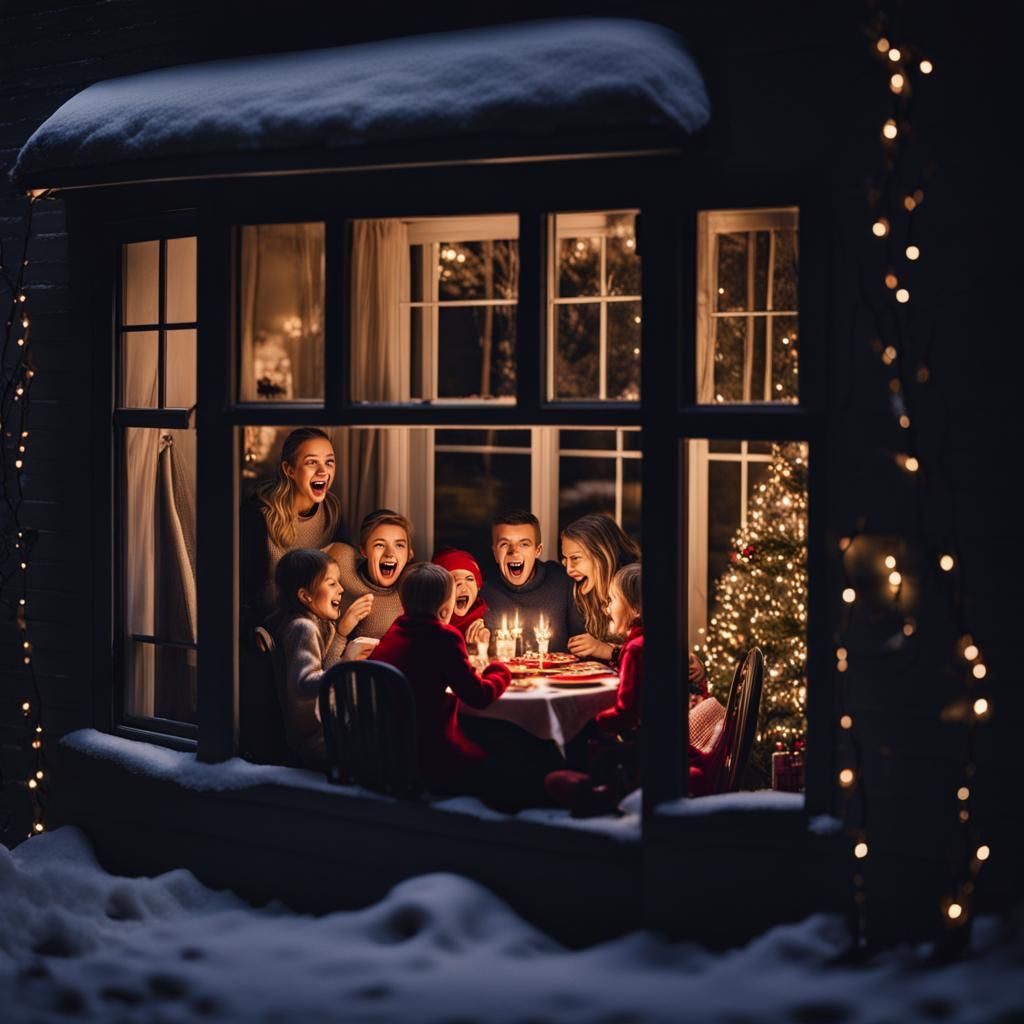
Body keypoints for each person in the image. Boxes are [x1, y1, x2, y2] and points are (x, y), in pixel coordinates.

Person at [545, 562, 711, 814]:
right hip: (673, 740)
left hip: (651, 748)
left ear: (635, 609)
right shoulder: (659, 638)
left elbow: (627, 714)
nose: (606, 607)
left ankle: (594, 792)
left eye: (612, 599)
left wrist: (591, 719)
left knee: (585, 732)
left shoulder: (636, 649)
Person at [372, 563, 511, 798]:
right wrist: (500, 671)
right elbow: (478, 696)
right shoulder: (445, 637)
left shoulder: (396, 628)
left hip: (388, 746)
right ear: (446, 609)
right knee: (499, 759)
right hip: (429, 750)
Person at [267, 548, 374, 770]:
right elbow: (304, 684)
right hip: (315, 739)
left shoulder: (315, 624)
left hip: (320, 731)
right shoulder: (302, 628)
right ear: (305, 596)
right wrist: (347, 663)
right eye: (331, 583)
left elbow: (323, 669)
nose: (341, 589)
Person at [240, 427, 349, 631]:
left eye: (329, 462)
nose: (323, 471)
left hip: (320, 628)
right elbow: (245, 594)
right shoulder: (257, 515)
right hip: (269, 631)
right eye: (311, 462)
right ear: (289, 470)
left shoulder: (332, 511)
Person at [480, 510, 583, 654]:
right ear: (495, 553)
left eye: (524, 544)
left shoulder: (563, 581)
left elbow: (583, 645)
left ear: (538, 550)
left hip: (557, 674)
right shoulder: (481, 588)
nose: (514, 552)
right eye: (504, 544)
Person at [325, 508, 415, 645]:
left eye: (399, 545)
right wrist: (341, 633)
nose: (390, 554)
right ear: (364, 551)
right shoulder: (342, 568)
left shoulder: (412, 593)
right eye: (380, 545)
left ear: (409, 554)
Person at [560, 513, 641, 664]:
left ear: (602, 554)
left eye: (575, 558)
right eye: (565, 559)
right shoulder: (581, 591)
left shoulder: (634, 585)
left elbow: (656, 655)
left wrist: (605, 650)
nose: (569, 569)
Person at [431, 546, 489, 648]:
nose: (463, 587)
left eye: (470, 579)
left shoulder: (483, 618)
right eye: (453, 579)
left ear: (478, 586)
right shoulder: (427, 621)